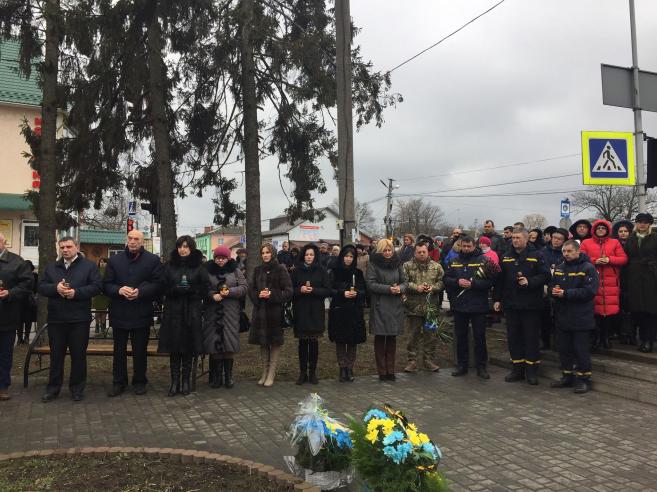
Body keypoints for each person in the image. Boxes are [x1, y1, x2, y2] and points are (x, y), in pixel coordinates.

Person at [38, 237, 102, 402]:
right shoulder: (51, 267)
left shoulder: (89, 266)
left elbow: (97, 287)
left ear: (77, 247)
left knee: (78, 356)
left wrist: (76, 293)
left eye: (68, 247)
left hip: (79, 319)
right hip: (56, 319)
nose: (65, 250)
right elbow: (41, 287)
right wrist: (55, 288)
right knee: (56, 356)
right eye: (62, 247)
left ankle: (77, 389)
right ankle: (53, 389)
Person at [104, 230, 163, 397]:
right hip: (119, 312)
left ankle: (139, 382)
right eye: (130, 238)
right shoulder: (115, 260)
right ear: (126, 240)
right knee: (119, 352)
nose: (132, 241)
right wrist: (119, 290)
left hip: (141, 312)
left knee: (140, 351)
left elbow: (158, 284)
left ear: (142, 242)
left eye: (136, 239)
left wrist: (141, 292)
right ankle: (118, 383)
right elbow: (106, 284)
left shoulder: (152, 260)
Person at [493, 228, 550, 385]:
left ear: (526, 239)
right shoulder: (506, 256)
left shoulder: (537, 255)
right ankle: (517, 369)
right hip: (511, 305)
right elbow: (500, 280)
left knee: (531, 338)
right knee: (514, 338)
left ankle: (531, 371)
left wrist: (530, 282)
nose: (515, 240)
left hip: (531, 305)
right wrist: (497, 299)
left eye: (518, 237)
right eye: (513, 238)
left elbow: (546, 275)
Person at [158, 235, 209, 396]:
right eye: (180, 246)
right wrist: (174, 289)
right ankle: (174, 382)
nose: (182, 249)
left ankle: (185, 381)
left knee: (188, 346)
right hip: (173, 311)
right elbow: (161, 286)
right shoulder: (169, 266)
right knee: (174, 347)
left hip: (191, 311)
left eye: (186, 246)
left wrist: (191, 290)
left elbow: (205, 288)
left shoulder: (199, 266)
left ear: (191, 248)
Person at [549, 240, 599, 394]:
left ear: (578, 251)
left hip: (581, 317)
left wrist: (566, 294)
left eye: (570, 251)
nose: (566, 254)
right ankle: (567, 376)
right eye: (564, 251)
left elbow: (589, 292)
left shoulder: (588, 268)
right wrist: (553, 290)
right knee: (564, 349)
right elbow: (552, 285)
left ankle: (584, 379)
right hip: (563, 316)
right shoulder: (560, 268)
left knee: (580, 350)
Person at [444, 235, 495, 379]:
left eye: (469, 246)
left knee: (479, 337)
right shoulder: (454, 261)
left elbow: (490, 282)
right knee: (461, 337)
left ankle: (481, 366)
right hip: (460, 305)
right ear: (460, 246)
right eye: (464, 246)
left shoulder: (484, 260)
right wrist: (457, 282)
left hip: (478, 306)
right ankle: (462, 365)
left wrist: (473, 284)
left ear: (474, 246)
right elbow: (446, 279)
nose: (466, 249)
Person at [248, 243, 293, 386]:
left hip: (275, 313)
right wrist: (258, 294)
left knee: (274, 343)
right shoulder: (258, 270)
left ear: (272, 253)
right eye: (263, 253)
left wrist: (272, 294)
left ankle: (271, 373)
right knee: (263, 343)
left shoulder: (281, 269)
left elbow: (289, 291)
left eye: (267, 252)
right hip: (260, 312)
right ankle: (264, 372)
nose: (265, 255)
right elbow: (251, 289)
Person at [203, 246, 247, 389]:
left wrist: (231, 291)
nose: (220, 260)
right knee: (215, 343)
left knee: (229, 342)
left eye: (223, 258)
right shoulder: (208, 271)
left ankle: (228, 376)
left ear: (228, 258)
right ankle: (216, 377)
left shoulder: (235, 271)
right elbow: (203, 288)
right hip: (213, 312)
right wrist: (212, 295)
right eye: (218, 258)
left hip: (230, 312)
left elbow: (244, 287)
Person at [580, 220, 627, 349]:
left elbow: (623, 259)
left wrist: (609, 259)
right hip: (592, 280)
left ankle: (605, 337)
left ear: (607, 230)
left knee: (608, 312)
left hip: (610, 282)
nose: (601, 230)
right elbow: (581, 258)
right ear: (594, 230)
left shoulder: (614, 242)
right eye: (598, 228)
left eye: (603, 228)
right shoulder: (586, 242)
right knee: (594, 310)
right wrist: (595, 261)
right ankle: (595, 337)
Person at [367, 239, 408, 381]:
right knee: (380, 338)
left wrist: (400, 288)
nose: (388, 253)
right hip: (380, 305)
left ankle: (391, 370)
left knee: (392, 338)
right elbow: (371, 284)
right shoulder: (373, 264)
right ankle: (382, 371)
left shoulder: (398, 264)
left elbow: (405, 282)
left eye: (390, 250)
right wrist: (389, 289)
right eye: (385, 250)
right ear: (380, 251)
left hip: (395, 305)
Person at [291, 244, 331, 385]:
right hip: (301, 310)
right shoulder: (296, 271)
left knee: (314, 343)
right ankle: (302, 373)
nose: (309, 257)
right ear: (303, 256)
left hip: (315, 311)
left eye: (311, 255)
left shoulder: (321, 271)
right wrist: (300, 290)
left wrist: (314, 290)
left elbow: (327, 290)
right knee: (302, 343)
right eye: (307, 254)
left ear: (315, 256)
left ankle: (312, 372)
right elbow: (290, 290)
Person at [0, 233, 32, 401]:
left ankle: (3, 386)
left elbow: (27, 284)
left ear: (3, 242)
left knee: (4, 354)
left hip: (6, 316)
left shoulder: (17, 261)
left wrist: (10, 293)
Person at [402, 242, 444, 373]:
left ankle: (428, 360)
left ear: (427, 252)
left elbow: (442, 282)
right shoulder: (407, 266)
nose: (421, 254)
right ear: (415, 253)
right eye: (419, 252)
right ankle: (412, 361)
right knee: (412, 336)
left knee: (431, 336)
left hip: (431, 308)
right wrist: (416, 287)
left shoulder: (436, 266)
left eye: (423, 252)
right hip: (413, 307)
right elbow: (404, 282)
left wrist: (433, 288)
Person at [328, 244, 367, 382]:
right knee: (340, 341)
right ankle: (342, 367)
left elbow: (364, 291)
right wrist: (342, 293)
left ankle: (350, 367)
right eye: (346, 256)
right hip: (339, 310)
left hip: (354, 311)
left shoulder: (358, 273)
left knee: (352, 341)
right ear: (342, 257)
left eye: (351, 256)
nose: (348, 259)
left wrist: (357, 294)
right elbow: (329, 290)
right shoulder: (334, 271)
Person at [625, 213, 657, 352]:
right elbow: (626, 258)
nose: (642, 224)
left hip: (651, 277)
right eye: (639, 222)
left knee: (651, 311)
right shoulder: (631, 239)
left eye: (645, 222)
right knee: (639, 311)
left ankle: (649, 340)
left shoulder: (654, 237)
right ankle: (642, 339)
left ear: (649, 224)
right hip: (634, 278)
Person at [17, 260, 37, 345]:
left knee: (23, 320)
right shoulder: (33, 275)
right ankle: (24, 338)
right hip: (25, 301)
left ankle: (22, 338)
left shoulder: (34, 276)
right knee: (24, 320)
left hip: (26, 301)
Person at [92, 258, 110, 334]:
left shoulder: (109, 272)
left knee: (104, 311)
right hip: (97, 294)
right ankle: (97, 325)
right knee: (97, 311)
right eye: (101, 262)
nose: (102, 263)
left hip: (105, 294)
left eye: (104, 262)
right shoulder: (96, 271)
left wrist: (105, 290)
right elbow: (94, 281)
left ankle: (103, 326)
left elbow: (109, 282)